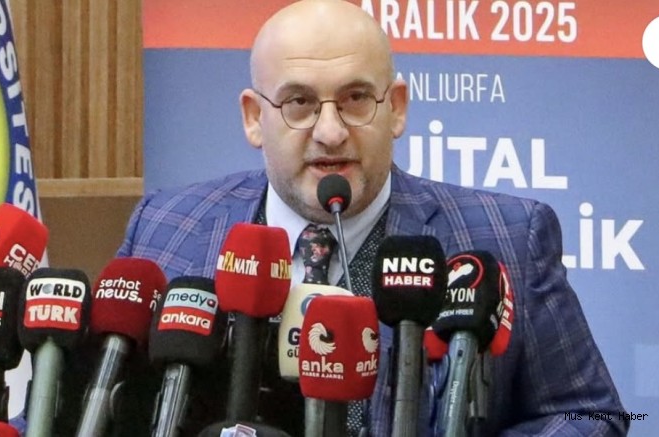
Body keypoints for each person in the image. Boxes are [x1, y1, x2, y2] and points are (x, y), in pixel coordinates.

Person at [116, 0, 627, 435]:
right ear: (254, 118)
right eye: (299, 102)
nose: (331, 132)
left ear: (396, 107)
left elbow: (591, 415)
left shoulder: (509, 236)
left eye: (356, 98)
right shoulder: (166, 231)